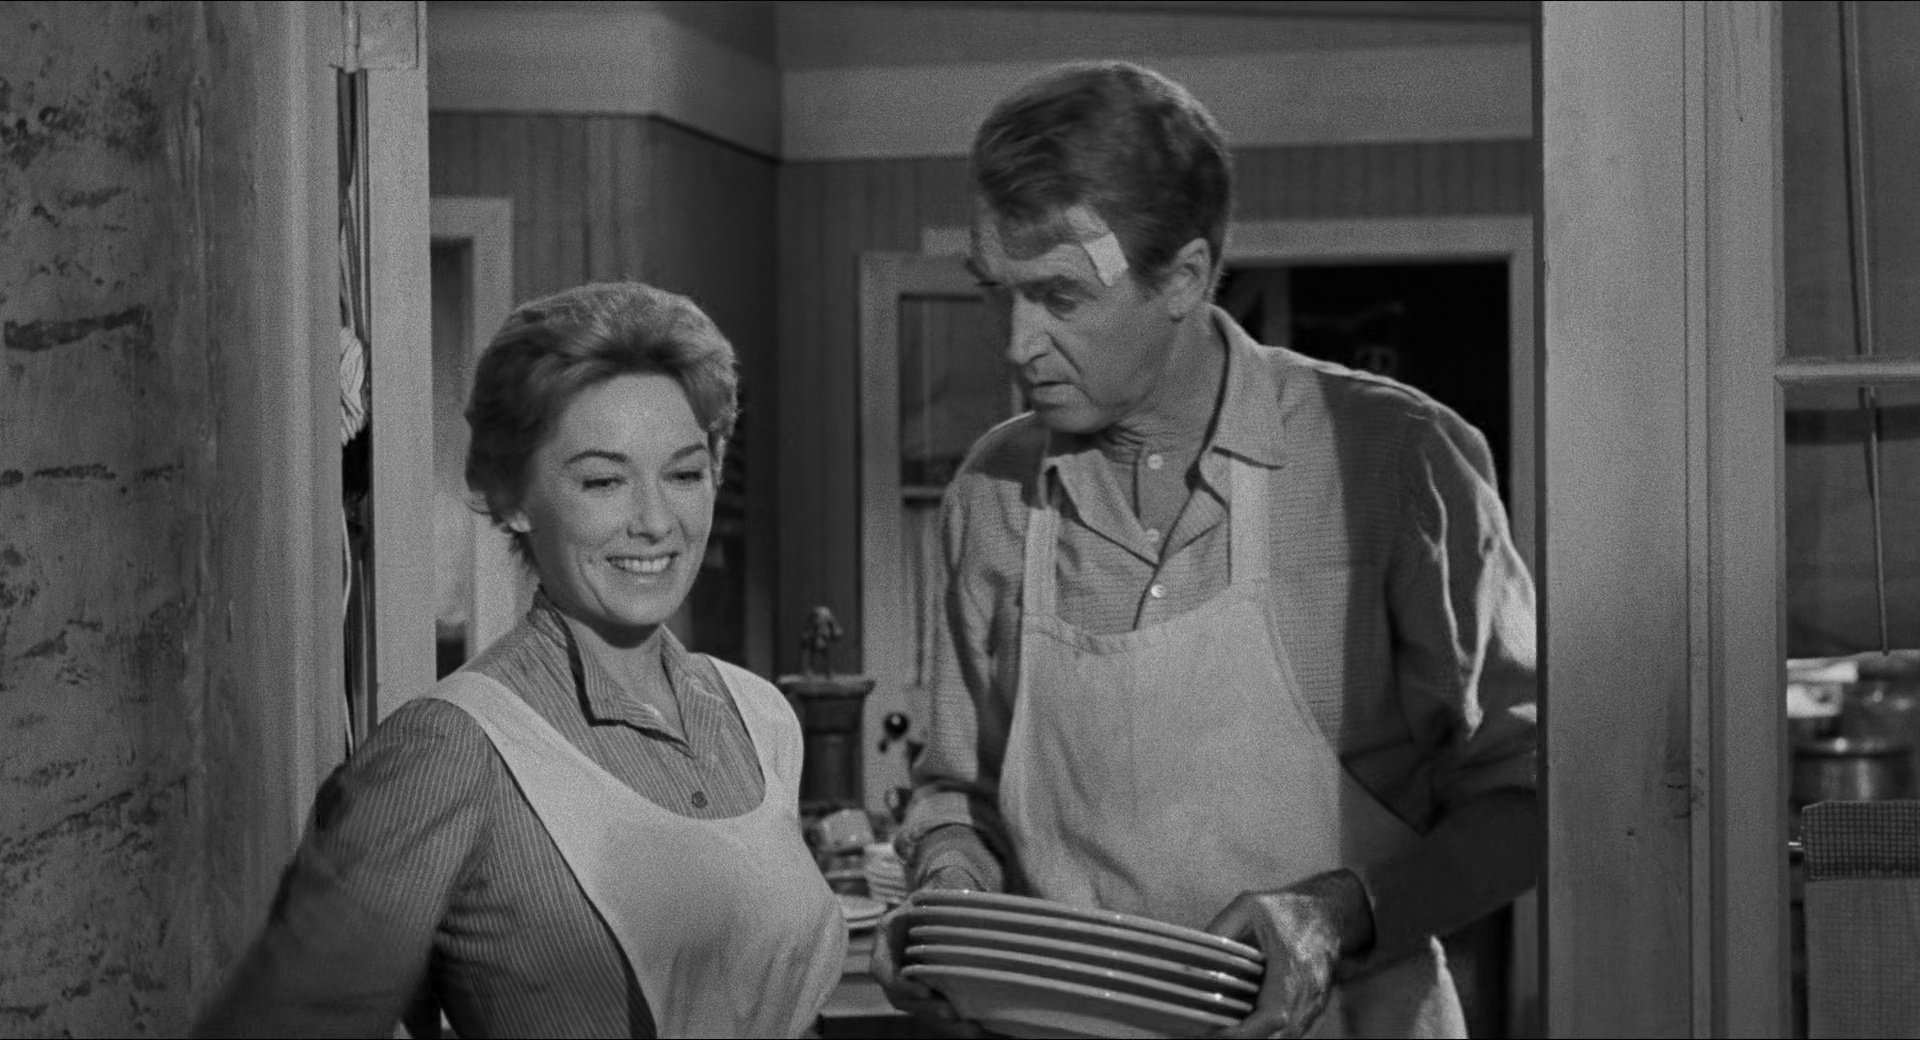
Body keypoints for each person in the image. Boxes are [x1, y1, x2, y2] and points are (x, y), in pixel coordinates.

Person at [872, 62, 1540, 1039]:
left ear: (1184, 276)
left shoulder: (1392, 460)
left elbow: (1528, 798)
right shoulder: (994, 491)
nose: (1017, 344)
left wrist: (1338, 913)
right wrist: (947, 904)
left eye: (1060, 297)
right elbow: (956, 796)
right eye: (996, 293)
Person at [194, 282, 846, 1038]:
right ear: (508, 495)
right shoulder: (448, 753)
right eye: (603, 481)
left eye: (684, 473)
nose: (655, 521)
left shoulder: (760, 718)